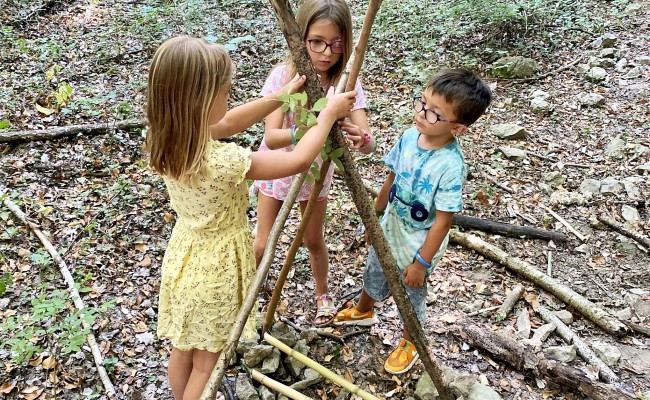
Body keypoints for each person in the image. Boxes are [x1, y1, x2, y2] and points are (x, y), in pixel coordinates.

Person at [145, 36, 357, 400]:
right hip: (218, 269)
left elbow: (226, 123)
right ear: (199, 100)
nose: (228, 101)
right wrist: (327, 116)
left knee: (183, 348)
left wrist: (280, 97)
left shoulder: (167, 137)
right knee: (207, 363)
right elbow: (297, 161)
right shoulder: (223, 161)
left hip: (185, 260)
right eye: (225, 93)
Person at [334, 69, 492, 375]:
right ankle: (363, 310)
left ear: (457, 128)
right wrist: (375, 216)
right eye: (422, 103)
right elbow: (391, 178)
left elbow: (443, 222)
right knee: (374, 266)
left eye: (434, 113)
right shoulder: (409, 137)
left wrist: (422, 261)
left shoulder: (449, 165)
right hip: (391, 226)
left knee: (411, 294)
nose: (421, 113)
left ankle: (411, 341)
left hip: (418, 242)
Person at [252, 0, 375, 327]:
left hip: (315, 175)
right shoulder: (283, 76)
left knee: (312, 239)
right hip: (276, 169)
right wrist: (313, 127)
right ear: (300, 39)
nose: (326, 53)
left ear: (346, 43)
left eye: (336, 44)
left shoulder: (346, 85)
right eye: (316, 42)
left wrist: (358, 136)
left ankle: (323, 295)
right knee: (263, 240)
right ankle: (251, 291)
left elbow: (367, 144)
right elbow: (273, 136)